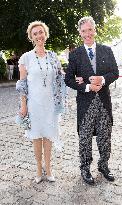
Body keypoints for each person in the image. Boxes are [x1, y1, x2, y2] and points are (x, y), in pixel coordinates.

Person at [65, 16, 119, 185]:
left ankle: (103, 165)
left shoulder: (106, 50)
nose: (87, 34)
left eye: (90, 30)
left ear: (94, 30)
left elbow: (115, 72)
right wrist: (87, 86)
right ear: (80, 33)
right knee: (85, 138)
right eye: (83, 31)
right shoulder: (75, 55)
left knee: (105, 136)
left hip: (103, 103)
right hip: (85, 104)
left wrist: (102, 79)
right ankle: (85, 168)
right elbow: (69, 79)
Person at [16, 21, 65, 184]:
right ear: (31, 37)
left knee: (49, 136)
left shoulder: (53, 56)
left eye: (41, 32)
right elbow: (22, 84)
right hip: (34, 105)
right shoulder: (26, 58)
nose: (39, 35)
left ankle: (49, 169)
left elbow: (59, 78)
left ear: (45, 34)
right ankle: (38, 170)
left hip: (50, 105)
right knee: (36, 137)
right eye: (35, 33)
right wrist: (23, 105)